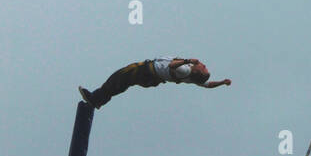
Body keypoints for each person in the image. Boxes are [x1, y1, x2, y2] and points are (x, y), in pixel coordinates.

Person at [79, 58, 231, 109]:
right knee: (121, 82)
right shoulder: (191, 78)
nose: (203, 64)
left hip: (147, 71)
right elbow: (208, 85)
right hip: (151, 77)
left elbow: (172, 65)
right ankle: (98, 99)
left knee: (119, 78)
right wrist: (222, 82)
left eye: (203, 68)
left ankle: (96, 99)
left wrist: (188, 60)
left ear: (197, 72)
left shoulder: (185, 70)